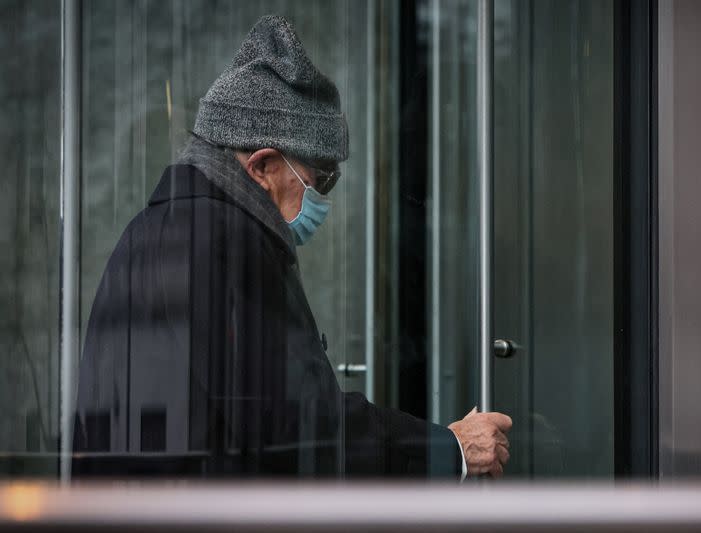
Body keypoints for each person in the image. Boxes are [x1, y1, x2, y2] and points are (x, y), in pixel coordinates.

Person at [72, 15, 511, 479]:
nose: (322, 197)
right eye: (317, 178)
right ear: (262, 165)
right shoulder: (223, 242)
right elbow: (298, 425)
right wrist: (449, 448)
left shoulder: (160, 230)